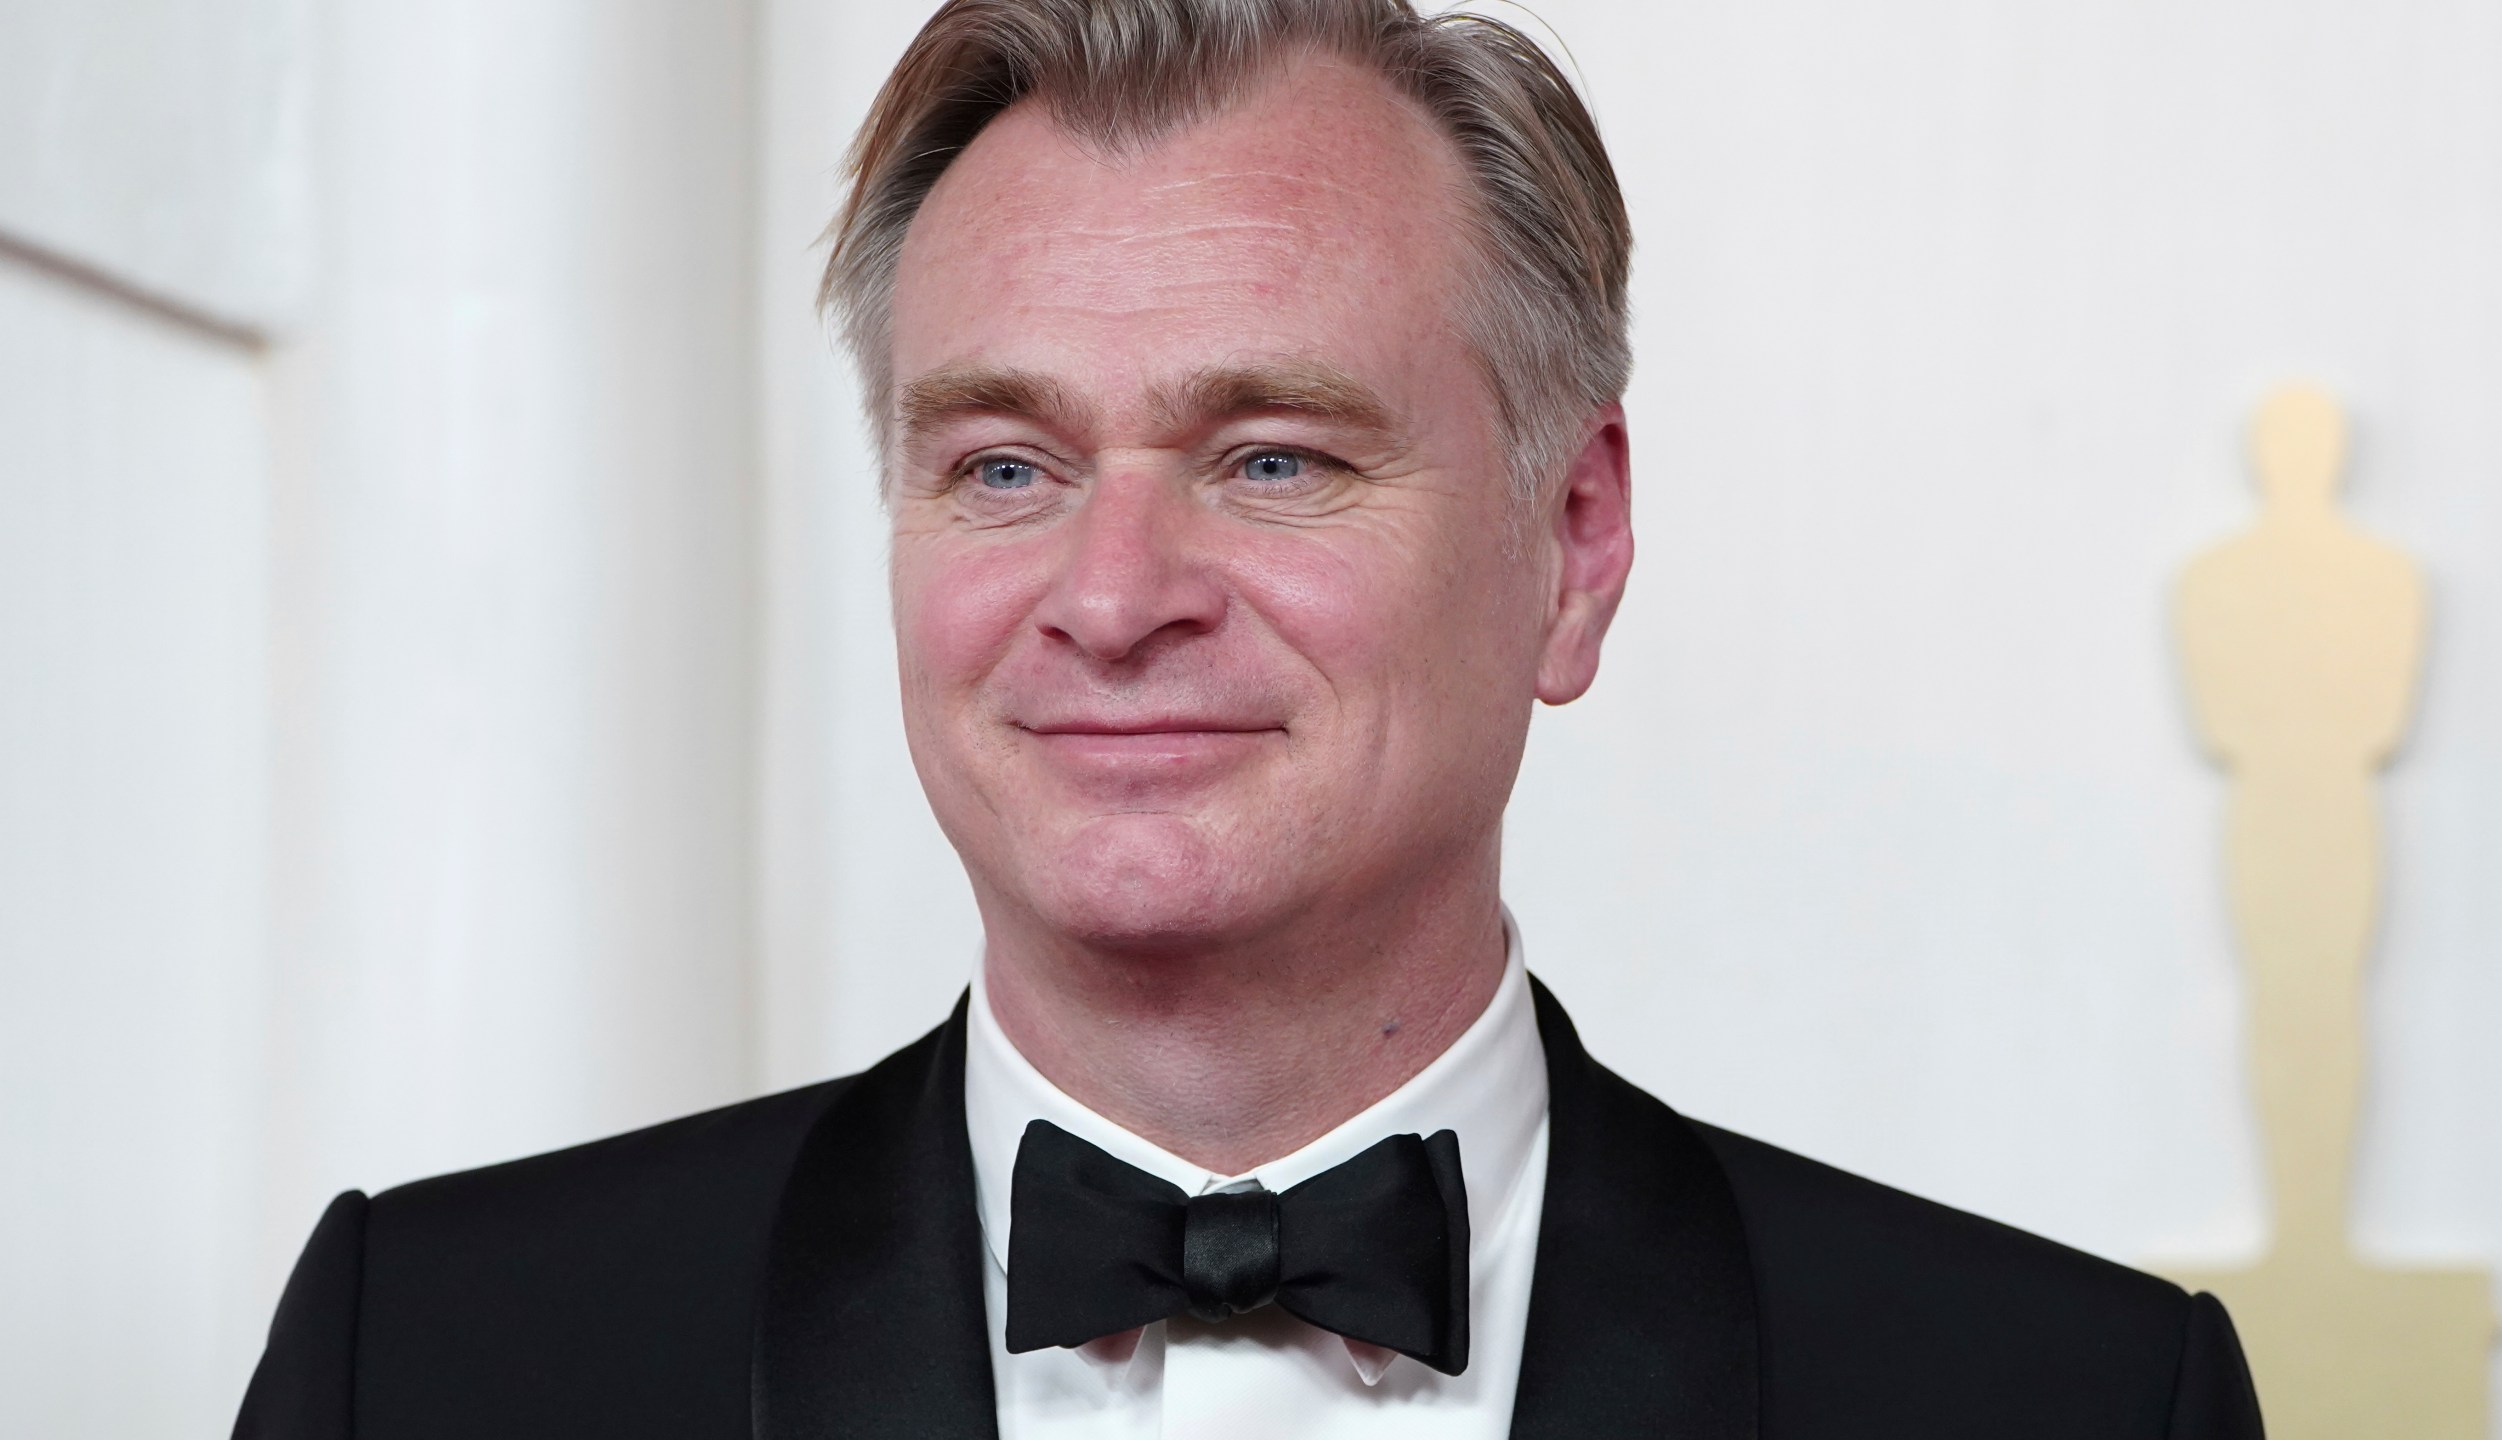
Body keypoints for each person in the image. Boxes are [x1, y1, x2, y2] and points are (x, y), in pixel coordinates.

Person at [233, 2, 2262, 1436]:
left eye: (1273, 459)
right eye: (1004, 467)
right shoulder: (428, 1366)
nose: (1113, 599)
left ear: (1572, 544)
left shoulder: (2069, 1403)